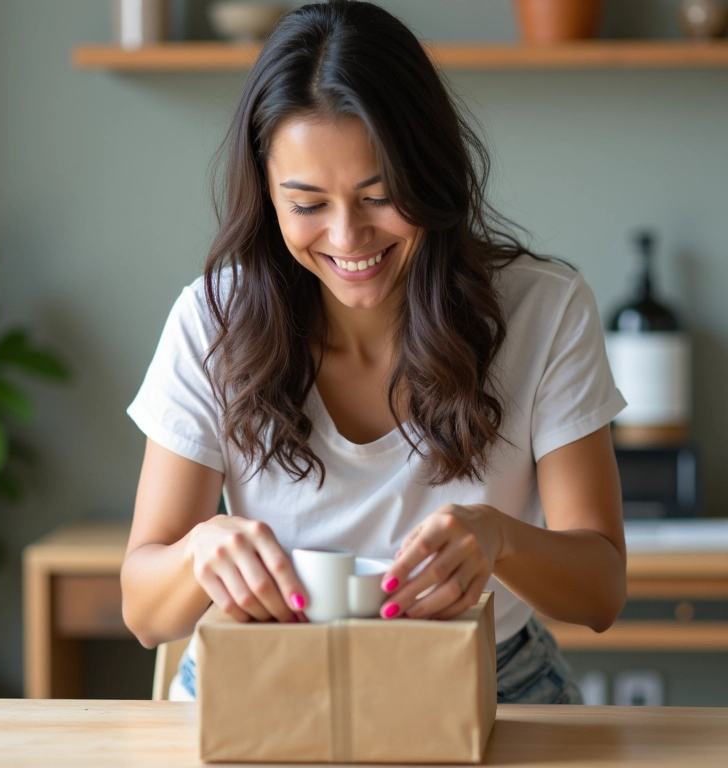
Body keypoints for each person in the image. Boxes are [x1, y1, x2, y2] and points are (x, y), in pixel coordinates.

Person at [123, 0, 627, 704]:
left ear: (430, 173)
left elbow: (600, 591)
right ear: (267, 195)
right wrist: (198, 553)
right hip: (261, 683)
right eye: (307, 205)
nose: (347, 237)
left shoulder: (544, 310)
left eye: (380, 196)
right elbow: (145, 614)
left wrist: (500, 539)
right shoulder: (213, 320)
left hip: (487, 683)